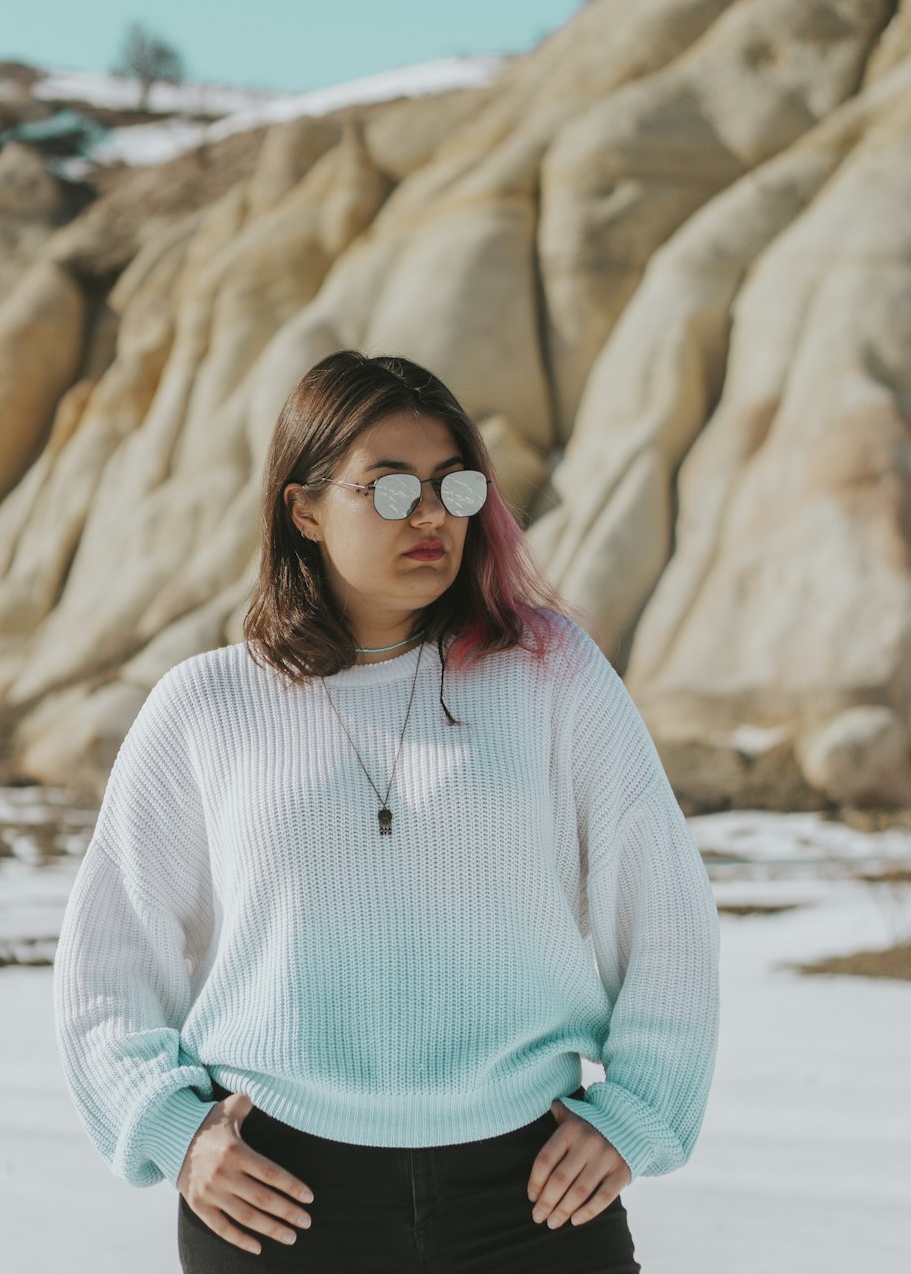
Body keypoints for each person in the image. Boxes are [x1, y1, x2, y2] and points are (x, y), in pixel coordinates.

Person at [52, 350, 721, 1273]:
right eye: (393, 488)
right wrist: (173, 1129)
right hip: (275, 1201)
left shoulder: (551, 673)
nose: (434, 515)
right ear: (306, 508)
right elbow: (107, 955)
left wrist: (640, 1111)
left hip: (531, 1195)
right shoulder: (205, 706)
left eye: (455, 485)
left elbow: (667, 912)